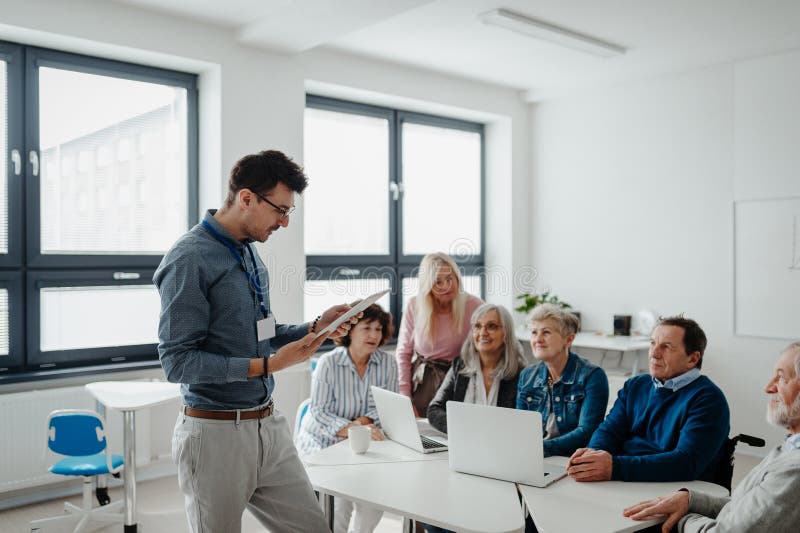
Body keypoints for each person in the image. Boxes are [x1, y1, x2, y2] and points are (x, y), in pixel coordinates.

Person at [154, 150, 357, 533]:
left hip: (268, 426)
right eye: (280, 210)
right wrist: (268, 366)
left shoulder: (248, 253)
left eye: (288, 213)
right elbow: (177, 363)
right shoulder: (188, 259)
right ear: (246, 198)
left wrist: (316, 326)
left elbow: (261, 333)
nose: (283, 222)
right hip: (214, 436)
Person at [623, 342, 800, 533]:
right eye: (653, 343)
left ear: (693, 358)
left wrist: (681, 517)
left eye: (781, 377)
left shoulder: (793, 470)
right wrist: (690, 500)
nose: (768, 387)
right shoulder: (790, 446)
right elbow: (743, 509)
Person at [567, 316, 730, 483]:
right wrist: (594, 457)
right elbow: (609, 431)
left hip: (670, 489)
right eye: (652, 343)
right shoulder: (635, 385)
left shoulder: (708, 400)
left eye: (666, 347)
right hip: (625, 479)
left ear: (693, 359)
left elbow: (685, 463)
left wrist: (614, 467)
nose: (654, 353)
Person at [295, 303, 397, 533]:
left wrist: (357, 428)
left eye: (379, 329)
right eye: (367, 327)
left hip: (364, 445)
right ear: (350, 330)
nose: (374, 335)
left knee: (373, 504)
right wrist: (354, 428)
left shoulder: (388, 363)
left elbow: (385, 409)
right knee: (339, 505)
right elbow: (319, 413)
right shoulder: (328, 363)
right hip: (324, 441)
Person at [395, 252, 483, 416]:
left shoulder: (474, 305)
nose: (446, 286)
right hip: (423, 384)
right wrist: (404, 397)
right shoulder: (414, 305)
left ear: (457, 278)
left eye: (450, 279)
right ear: (427, 285)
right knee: (425, 437)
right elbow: (403, 353)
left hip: (461, 380)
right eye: (438, 282)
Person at [516, 303, 609, 457]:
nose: (538, 339)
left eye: (546, 332)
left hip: (572, 459)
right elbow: (520, 427)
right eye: (534, 332)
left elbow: (586, 432)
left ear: (569, 340)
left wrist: (540, 448)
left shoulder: (592, 376)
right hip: (534, 456)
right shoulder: (527, 376)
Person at [427, 303, 526, 434]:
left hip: (501, 447)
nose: (482, 333)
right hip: (461, 443)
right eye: (477, 326)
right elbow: (434, 409)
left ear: (506, 333)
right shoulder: (460, 366)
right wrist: (460, 429)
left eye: (491, 326)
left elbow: (523, 423)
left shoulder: (521, 374)